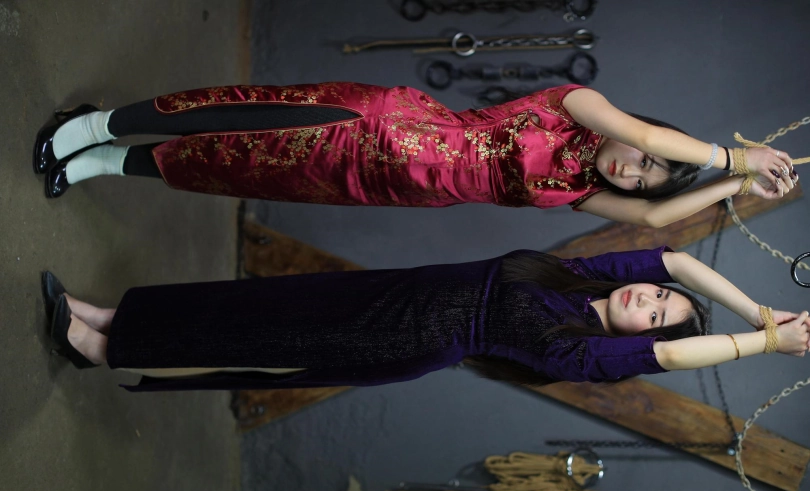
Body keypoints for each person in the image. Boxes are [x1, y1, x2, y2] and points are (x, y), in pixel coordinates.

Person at [41, 247, 810, 392]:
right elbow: (676, 258)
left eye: (660, 316)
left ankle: (104, 351)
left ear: (644, 341)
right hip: (389, 291)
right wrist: (758, 306)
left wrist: (762, 342)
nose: (651, 299)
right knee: (249, 304)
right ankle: (114, 315)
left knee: (256, 337)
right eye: (659, 296)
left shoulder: (588, 354)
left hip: (398, 336)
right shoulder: (583, 279)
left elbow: (673, 358)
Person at [33, 84, 798, 227]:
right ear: (640, 134)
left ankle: (104, 164)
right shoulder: (580, 106)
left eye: (646, 177)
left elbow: (657, 222)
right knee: (245, 121)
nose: (636, 169)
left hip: (382, 187)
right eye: (643, 157)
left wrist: (735, 190)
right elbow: (661, 142)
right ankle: (98, 124)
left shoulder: (577, 191)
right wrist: (736, 156)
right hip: (376, 126)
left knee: (232, 168)